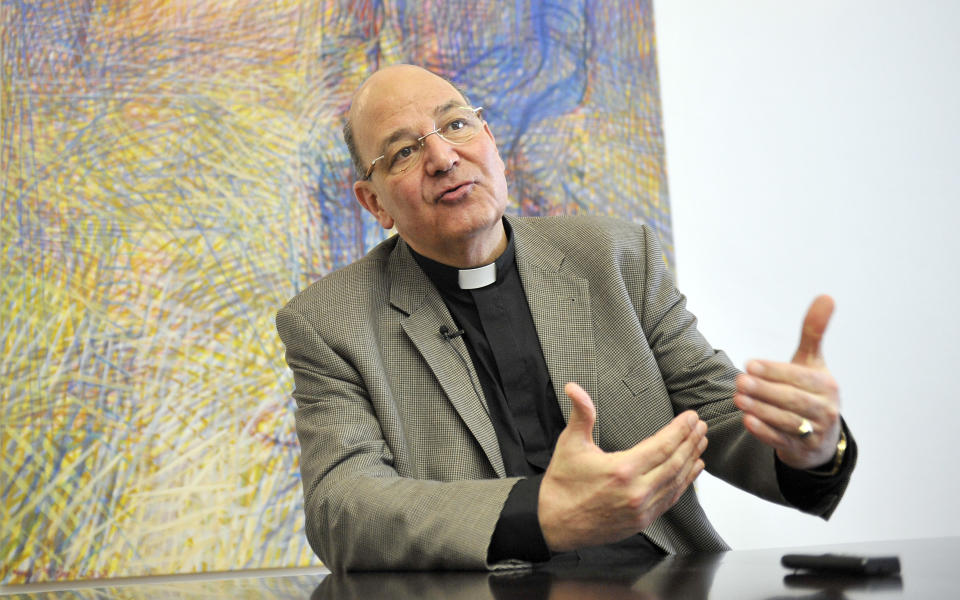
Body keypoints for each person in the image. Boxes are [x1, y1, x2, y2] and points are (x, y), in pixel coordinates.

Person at [276, 64, 856, 571]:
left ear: (491, 140)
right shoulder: (329, 322)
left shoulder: (612, 255)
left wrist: (808, 441)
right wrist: (538, 516)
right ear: (373, 202)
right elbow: (342, 507)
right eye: (403, 151)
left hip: (660, 580)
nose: (443, 157)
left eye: (457, 124)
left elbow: (721, 416)